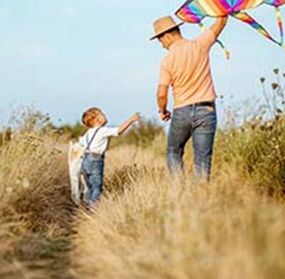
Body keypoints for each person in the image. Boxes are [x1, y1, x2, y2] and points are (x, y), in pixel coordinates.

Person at [150, 15, 228, 180]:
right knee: (202, 159)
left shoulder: (167, 60)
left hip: (182, 111)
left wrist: (163, 111)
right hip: (206, 110)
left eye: (160, 40)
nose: (162, 45)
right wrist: (217, 4)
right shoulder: (199, 44)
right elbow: (221, 21)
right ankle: (200, 198)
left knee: (173, 151)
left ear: (168, 35)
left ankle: (179, 191)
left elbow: (161, 93)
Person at [79, 107, 140, 207]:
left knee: (90, 187)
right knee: (97, 188)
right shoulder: (102, 131)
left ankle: (87, 205)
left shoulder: (87, 133)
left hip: (85, 160)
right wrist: (131, 120)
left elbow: (81, 143)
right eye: (102, 114)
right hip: (96, 159)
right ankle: (92, 208)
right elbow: (119, 131)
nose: (105, 115)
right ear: (96, 119)